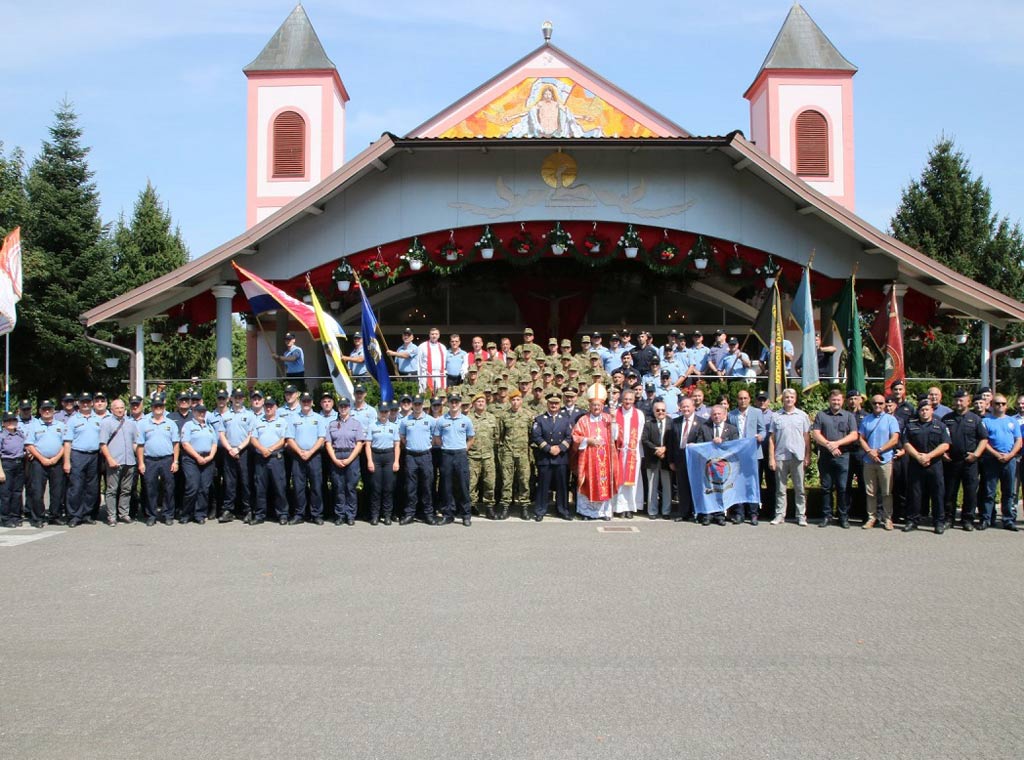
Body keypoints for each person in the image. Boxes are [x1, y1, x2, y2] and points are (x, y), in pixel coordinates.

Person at [811, 388, 860, 528]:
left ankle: (843, 517)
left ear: (842, 401)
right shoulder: (821, 415)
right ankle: (827, 516)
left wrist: (837, 444)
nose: (836, 402)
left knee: (843, 487)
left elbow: (854, 435)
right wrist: (829, 446)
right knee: (826, 487)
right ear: (829, 401)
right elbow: (816, 433)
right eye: (833, 400)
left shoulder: (848, 416)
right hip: (826, 456)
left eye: (838, 400)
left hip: (843, 456)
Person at [902, 400, 951, 533]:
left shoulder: (940, 426)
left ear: (932, 411)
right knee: (915, 494)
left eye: (927, 409)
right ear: (918, 411)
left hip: (934, 464)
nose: (924, 412)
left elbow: (945, 445)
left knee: (937, 494)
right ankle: (912, 520)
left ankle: (938, 522)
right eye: (922, 410)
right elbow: (906, 443)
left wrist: (929, 456)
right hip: (915, 464)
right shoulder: (911, 426)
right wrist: (918, 457)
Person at [942, 389, 987, 530]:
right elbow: (940, 438)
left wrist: (976, 454)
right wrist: (943, 453)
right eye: (956, 400)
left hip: (969, 461)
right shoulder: (947, 418)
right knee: (950, 491)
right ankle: (948, 518)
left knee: (970, 491)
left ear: (968, 401)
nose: (958, 403)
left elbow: (984, 439)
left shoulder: (975, 419)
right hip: (951, 461)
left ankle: (967, 519)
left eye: (961, 400)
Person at [572, 385, 618, 521]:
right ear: (589, 406)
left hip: (605, 460)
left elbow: (615, 436)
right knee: (588, 483)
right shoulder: (583, 420)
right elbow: (575, 436)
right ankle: (586, 512)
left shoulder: (608, 419)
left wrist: (614, 420)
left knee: (604, 484)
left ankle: (604, 512)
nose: (596, 407)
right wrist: (587, 440)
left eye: (598, 405)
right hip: (588, 460)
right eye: (593, 405)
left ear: (603, 406)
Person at [767, 388, 811, 526]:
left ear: (795, 399)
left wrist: (807, 455)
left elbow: (807, 437)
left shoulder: (802, 416)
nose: (789, 399)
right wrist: (771, 458)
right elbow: (772, 439)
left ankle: (801, 515)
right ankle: (780, 515)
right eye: (786, 397)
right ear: (783, 399)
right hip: (781, 456)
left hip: (798, 456)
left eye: (791, 397)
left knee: (800, 488)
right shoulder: (776, 416)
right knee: (780, 489)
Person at [135, 395, 180, 526]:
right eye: (155, 406)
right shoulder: (144, 424)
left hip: (167, 459)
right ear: (152, 407)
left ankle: (168, 515)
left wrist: (175, 461)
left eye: (160, 406)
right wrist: (141, 463)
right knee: (150, 488)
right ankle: (151, 515)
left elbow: (176, 444)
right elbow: (140, 445)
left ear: (163, 407)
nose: (158, 408)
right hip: (150, 460)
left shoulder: (171, 424)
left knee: (169, 488)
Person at [858, 394, 901, 530]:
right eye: (875, 403)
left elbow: (894, 439)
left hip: (885, 459)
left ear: (885, 404)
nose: (877, 405)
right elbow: (861, 438)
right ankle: (872, 518)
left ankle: (887, 518)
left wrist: (879, 450)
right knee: (870, 492)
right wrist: (869, 451)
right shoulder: (866, 420)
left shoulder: (891, 420)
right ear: (871, 404)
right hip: (869, 460)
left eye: (880, 403)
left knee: (887, 492)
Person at [980, 393, 1021, 531]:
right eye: (997, 403)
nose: (1000, 406)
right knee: (989, 491)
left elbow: (1018, 440)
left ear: (1006, 406)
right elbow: (984, 442)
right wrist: (996, 454)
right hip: (992, 459)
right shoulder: (986, 421)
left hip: (1010, 460)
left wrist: (1010, 455)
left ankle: (1008, 520)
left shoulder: (1012, 421)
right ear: (992, 405)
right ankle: (986, 519)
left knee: (1009, 492)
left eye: (1003, 404)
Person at [286, 392, 328, 525]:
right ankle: (299, 514)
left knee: (316, 486)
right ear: (300, 402)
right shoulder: (293, 418)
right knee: (299, 487)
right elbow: (290, 438)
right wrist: (300, 452)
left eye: (308, 401)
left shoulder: (319, 418)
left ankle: (316, 514)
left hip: (314, 456)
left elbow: (321, 438)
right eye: (303, 401)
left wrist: (310, 452)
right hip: (298, 456)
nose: (306, 403)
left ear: (312, 403)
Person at [694, 405, 739, 525]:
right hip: (708, 465)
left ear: (724, 415)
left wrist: (722, 442)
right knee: (709, 489)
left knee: (721, 490)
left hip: (725, 466)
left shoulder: (732, 429)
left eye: (719, 414)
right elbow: (699, 444)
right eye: (714, 414)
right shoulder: (704, 428)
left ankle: (720, 515)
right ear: (711, 416)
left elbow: (735, 446)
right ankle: (708, 514)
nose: (717, 416)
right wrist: (710, 444)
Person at [433, 394, 475, 526]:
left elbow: (471, 438)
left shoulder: (466, 420)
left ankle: (466, 514)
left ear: (460, 403)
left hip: (460, 454)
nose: (454, 404)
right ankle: (448, 514)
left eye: (456, 402)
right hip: (446, 454)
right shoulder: (441, 420)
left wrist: (463, 449)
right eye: (452, 402)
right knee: (446, 486)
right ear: (448, 404)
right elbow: (437, 438)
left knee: (463, 485)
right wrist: (446, 447)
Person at [531, 393, 573, 521]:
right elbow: (536, 436)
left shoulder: (565, 420)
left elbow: (569, 437)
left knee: (562, 485)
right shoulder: (540, 419)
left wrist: (560, 448)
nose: (554, 405)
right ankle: (540, 510)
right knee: (543, 485)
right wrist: (549, 448)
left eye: (556, 403)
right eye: (551, 403)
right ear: (547, 404)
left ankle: (562, 509)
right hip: (545, 457)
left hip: (561, 458)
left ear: (560, 404)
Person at [216, 388, 256, 523]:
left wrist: (238, 448)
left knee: (246, 482)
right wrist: (230, 449)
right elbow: (221, 434)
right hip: (229, 451)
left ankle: (248, 510)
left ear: (243, 399)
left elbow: (251, 435)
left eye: (240, 397)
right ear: (231, 399)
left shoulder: (250, 415)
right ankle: (228, 510)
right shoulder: (225, 415)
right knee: (229, 482)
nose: (238, 399)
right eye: (235, 397)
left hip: (244, 451)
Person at [25, 400, 67, 527]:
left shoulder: (61, 425)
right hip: (38, 462)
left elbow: (65, 444)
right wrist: (42, 458)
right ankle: (38, 517)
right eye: (44, 409)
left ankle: (55, 516)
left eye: (49, 409)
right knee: (37, 491)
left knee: (57, 491)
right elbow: (29, 444)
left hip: (57, 462)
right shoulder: (34, 425)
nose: (47, 411)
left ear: (54, 410)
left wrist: (56, 458)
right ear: (40, 411)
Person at [63, 393, 102, 527]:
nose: (85, 404)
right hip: (78, 454)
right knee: (76, 486)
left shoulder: (98, 419)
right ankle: (75, 515)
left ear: (92, 403)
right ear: (78, 403)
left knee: (92, 487)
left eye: (88, 401)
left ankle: (87, 514)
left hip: (94, 455)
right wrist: (67, 461)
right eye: (83, 402)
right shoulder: (73, 420)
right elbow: (67, 442)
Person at [98, 399, 139, 526]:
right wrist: (109, 459)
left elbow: (135, 442)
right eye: (117, 408)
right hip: (115, 461)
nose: (120, 410)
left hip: (129, 461)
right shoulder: (106, 423)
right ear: (112, 410)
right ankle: (111, 516)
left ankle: (124, 514)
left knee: (126, 490)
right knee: (112, 490)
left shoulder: (131, 423)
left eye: (122, 407)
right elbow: (103, 444)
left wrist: (139, 458)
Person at [729, 388, 766, 524]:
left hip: (753, 454)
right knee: (737, 484)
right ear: (737, 400)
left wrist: (761, 436)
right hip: (737, 455)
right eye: (740, 398)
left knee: (753, 484)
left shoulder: (757, 412)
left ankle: (754, 513)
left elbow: (763, 430)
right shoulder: (731, 414)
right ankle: (739, 513)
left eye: (745, 398)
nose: (743, 401)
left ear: (749, 399)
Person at [326, 396, 365, 526]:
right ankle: (340, 515)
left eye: (345, 406)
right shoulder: (332, 424)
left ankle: (350, 515)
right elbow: (328, 443)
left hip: (351, 456)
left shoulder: (356, 424)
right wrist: (334, 459)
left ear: (349, 408)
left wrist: (349, 459)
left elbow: (359, 444)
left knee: (351, 487)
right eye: (341, 406)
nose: (343, 408)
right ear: (338, 408)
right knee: (338, 487)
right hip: (336, 455)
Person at [250, 397, 289, 525]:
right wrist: (262, 449)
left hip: (276, 458)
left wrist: (270, 449)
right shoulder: (257, 421)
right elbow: (253, 439)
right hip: (261, 458)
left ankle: (282, 514)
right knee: (260, 487)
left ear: (276, 407)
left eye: (271, 406)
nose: (268, 408)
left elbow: (283, 440)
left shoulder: (282, 422)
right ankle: (259, 515)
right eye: (266, 406)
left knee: (279, 487)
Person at [400, 396, 437, 525]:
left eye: (419, 404)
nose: (417, 406)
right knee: (411, 487)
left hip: (425, 456)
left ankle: (428, 514)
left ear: (422, 405)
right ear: (412, 405)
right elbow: (403, 437)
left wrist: (425, 445)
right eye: (415, 404)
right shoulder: (405, 421)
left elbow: (434, 437)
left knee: (427, 486)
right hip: (411, 456)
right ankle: (409, 514)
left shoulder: (431, 420)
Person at [179, 405, 218, 524]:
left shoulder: (209, 426)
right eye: (199, 412)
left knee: (204, 488)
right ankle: (186, 513)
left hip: (208, 459)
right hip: (191, 459)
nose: (202, 414)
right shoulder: (188, 425)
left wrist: (211, 456)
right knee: (192, 487)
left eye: (203, 412)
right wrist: (197, 457)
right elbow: (185, 444)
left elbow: (214, 443)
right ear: (194, 412)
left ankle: (200, 514)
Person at [497, 389, 532, 521]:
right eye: (513, 400)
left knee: (524, 480)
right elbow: (501, 435)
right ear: (510, 401)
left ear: (521, 401)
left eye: (518, 400)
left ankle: (524, 507)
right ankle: (505, 507)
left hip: (523, 453)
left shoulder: (528, 416)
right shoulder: (504, 416)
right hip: (508, 452)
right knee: (507, 481)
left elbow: (531, 434)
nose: (515, 402)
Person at [366, 402, 400, 525]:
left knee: (388, 488)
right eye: (382, 411)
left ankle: (387, 515)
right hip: (376, 456)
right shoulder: (372, 426)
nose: (384, 414)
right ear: (378, 412)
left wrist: (396, 461)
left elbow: (397, 446)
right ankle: (375, 515)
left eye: (386, 411)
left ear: (389, 412)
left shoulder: (394, 427)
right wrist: (370, 461)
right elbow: (368, 445)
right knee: (376, 488)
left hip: (389, 457)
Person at [467, 393, 500, 520]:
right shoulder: (468, 419)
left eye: (482, 401)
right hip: (472, 456)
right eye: (478, 401)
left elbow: (497, 436)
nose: (480, 403)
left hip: (488, 456)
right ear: (473, 404)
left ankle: (489, 507)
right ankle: (471, 505)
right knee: (471, 483)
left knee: (489, 482)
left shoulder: (492, 418)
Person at [613, 388, 645, 519]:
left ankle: (630, 507)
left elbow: (640, 432)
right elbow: (613, 433)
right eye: (625, 399)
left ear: (634, 400)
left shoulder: (639, 414)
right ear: (622, 399)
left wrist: (632, 447)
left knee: (632, 480)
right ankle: (618, 507)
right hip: (619, 451)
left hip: (633, 451)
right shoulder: (615, 413)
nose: (628, 401)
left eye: (630, 399)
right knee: (619, 480)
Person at [668, 396, 700, 521]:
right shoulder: (675, 422)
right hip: (680, 458)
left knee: (695, 486)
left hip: (695, 459)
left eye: (688, 406)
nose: (685, 409)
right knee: (682, 486)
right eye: (683, 406)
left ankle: (695, 512)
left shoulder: (701, 422)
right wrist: (671, 460)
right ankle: (683, 512)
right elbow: (671, 443)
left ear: (693, 407)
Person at [641, 400, 672, 519]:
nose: (660, 412)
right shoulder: (649, 424)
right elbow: (644, 440)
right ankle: (652, 511)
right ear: (654, 411)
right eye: (658, 410)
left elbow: (674, 439)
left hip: (666, 459)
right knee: (652, 486)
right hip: (652, 459)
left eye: (663, 410)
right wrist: (656, 449)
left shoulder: (671, 423)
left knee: (667, 486)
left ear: (666, 411)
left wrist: (665, 449)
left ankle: (666, 511)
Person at [0, 412, 27, 528]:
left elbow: (25, 448)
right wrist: (0, 471)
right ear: (3, 423)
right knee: (6, 493)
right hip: (6, 464)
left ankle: (15, 516)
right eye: (8, 421)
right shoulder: (2, 436)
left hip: (19, 464)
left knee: (17, 492)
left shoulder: (20, 434)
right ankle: (5, 518)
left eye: (13, 420)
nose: (11, 423)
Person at [418, 327, 448, 393]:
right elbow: (418, 362)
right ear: (429, 335)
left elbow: (444, 362)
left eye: (436, 334)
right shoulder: (422, 346)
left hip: (440, 374)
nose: (434, 336)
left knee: (440, 394)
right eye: (432, 334)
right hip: (426, 374)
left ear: (439, 335)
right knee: (427, 394)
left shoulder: (443, 347)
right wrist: (419, 377)